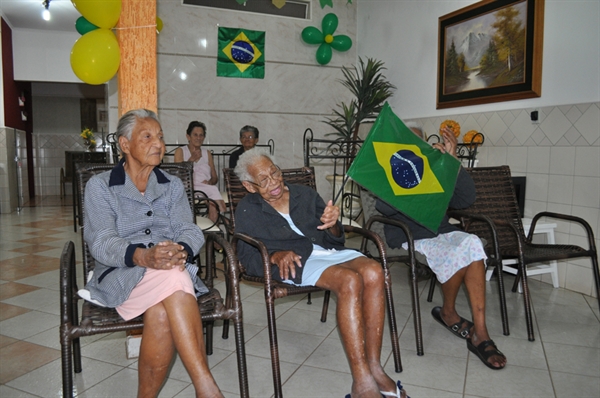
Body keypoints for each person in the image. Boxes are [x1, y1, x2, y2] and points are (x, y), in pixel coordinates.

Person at [234, 149, 409, 398]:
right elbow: (247, 259)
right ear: (249, 186)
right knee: (349, 280)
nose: (273, 182)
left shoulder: (304, 194)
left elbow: (335, 241)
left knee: (374, 271)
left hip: (326, 253)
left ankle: (375, 367)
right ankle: (362, 381)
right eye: (263, 180)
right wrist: (273, 256)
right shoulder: (247, 210)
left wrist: (334, 224)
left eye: (274, 172)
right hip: (296, 262)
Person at [81, 109, 224, 397]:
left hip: (170, 267)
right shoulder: (101, 186)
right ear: (125, 144)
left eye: (160, 137)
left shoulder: (171, 186)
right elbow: (102, 242)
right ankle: (206, 387)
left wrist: (180, 249)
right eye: (147, 137)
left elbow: (190, 229)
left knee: (160, 313)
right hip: (121, 273)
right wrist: (145, 256)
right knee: (173, 275)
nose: (158, 144)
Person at [375, 123, 507, 370]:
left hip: (441, 231)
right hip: (410, 235)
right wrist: (408, 173)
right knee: (457, 252)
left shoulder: (432, 167)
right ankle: (454, 316)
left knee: (472, 243)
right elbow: (384, 208)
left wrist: (450, 163)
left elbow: (466, 199)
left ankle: (480, 331)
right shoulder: (390, 168)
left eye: (419, 144)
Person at [174, 121, 226, 223]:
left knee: (212, 199)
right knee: (213, 192)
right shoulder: (180, 151)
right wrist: (191, 160)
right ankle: (224, 219)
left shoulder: (207, 153)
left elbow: (215, 178)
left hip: (205, 188)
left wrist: (209, 182)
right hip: (188, 188)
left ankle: (212, 230)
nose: (198, 138)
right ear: (188, 136)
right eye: (195, 135)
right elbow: (177, 175)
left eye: (201, 135)